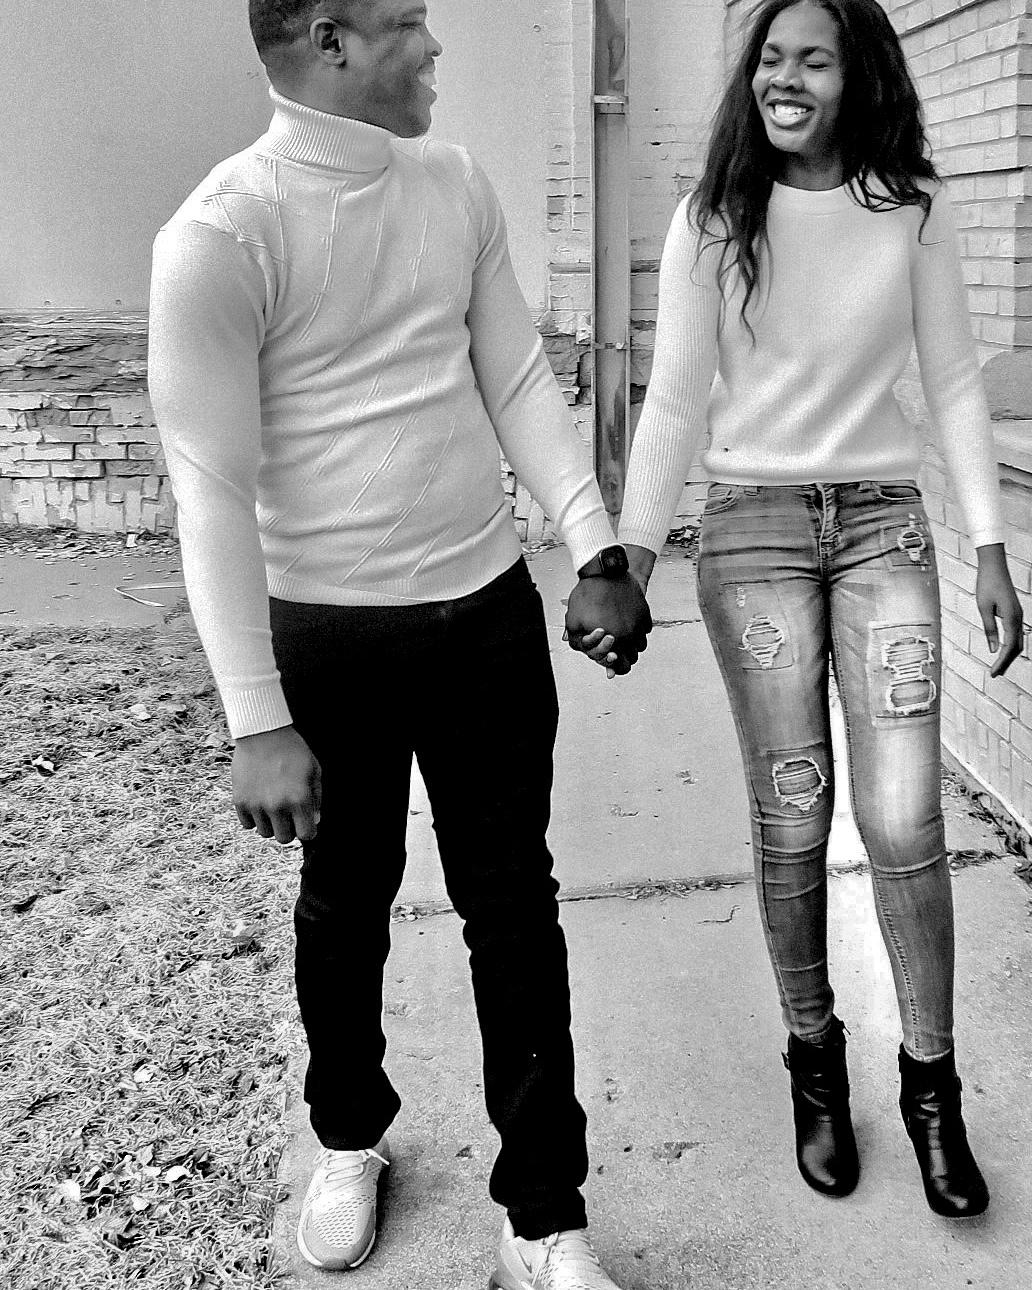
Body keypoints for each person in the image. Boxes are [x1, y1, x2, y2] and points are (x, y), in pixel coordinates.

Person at [147, 3, 649, 1284]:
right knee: (344, 905)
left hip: (484, 618)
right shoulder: (221, 235)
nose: (434, 46)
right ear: (330, 40)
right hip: (330, 641)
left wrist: (593, 545)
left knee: (514, 908)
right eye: (408, 23)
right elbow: (209, 484)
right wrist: (256, 716)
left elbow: (514, 377)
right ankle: (348, 1137)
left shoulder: (452, 184)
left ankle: (545, 1218)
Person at [602, 0, 1024, 1217]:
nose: (785, 78)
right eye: (772, 58)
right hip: (753, 533)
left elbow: (953, 379)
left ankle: (932, 1091)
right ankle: (815, 1062)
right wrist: (627, 553)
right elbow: (674, 398)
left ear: (858, 77)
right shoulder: (713, 217)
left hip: (885, 524)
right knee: (794, 818)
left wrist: (990, 544)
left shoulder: (910, 210)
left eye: (814, 60)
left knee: (903, 820)